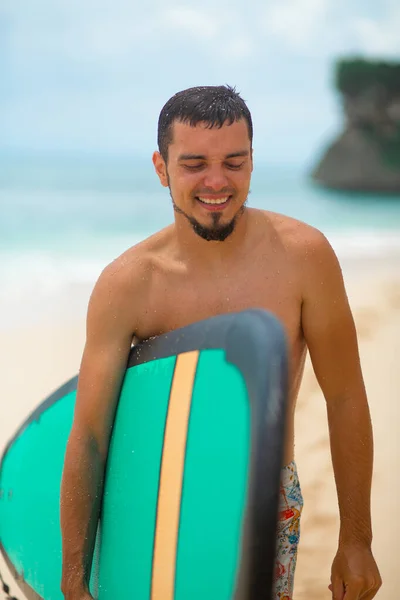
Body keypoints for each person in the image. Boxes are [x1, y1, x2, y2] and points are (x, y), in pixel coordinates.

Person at [60, 85, 382, 600]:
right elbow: (91, 436)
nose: (217, 181)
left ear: (253, 162)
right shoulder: (129, 285)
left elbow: (345, 399)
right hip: (153, 502)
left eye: (235, 162)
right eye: (194, 164)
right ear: (161, 169)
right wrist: (73, 581)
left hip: (266, 499)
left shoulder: (304, 259)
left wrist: (357, 540)